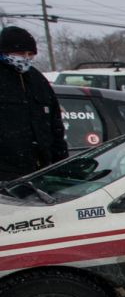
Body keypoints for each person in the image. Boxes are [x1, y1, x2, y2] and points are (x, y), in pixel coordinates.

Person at [0, 26, 66, 182]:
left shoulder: (37, 80)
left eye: (30, 54)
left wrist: (61, 162)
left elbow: (55, 124)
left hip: (41, 170)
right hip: (6, 172)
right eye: (20, 53)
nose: (25, 58)